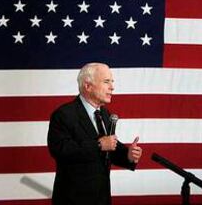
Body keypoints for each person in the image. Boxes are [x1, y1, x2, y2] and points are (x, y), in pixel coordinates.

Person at [47, 62, 143, 205]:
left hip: (101, 198)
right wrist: (98, 145)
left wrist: (127, 155)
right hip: (72, 199)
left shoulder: (104, 114)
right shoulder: (64, 114)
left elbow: (108, 148)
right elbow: (61, 150)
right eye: (106, 82)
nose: (112, 87)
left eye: (112, 82)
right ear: (87, 86)